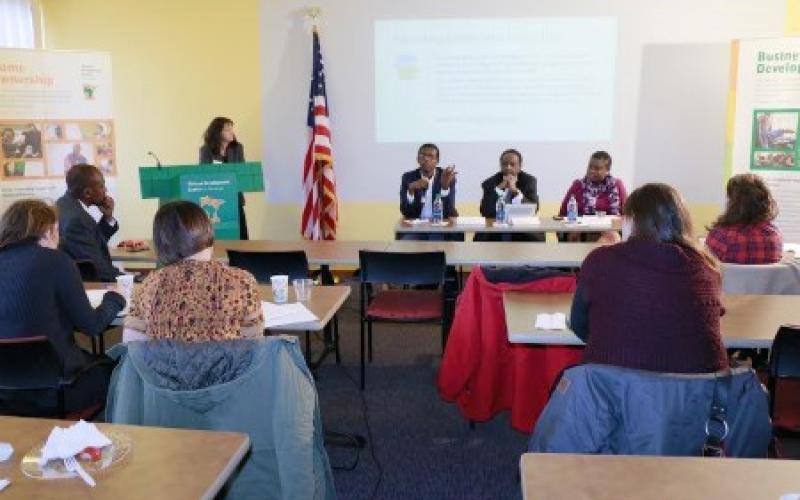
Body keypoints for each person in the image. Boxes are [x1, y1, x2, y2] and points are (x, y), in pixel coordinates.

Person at [570, 183, 727, 373]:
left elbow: (580, 324)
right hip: (695, 396)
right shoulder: (707, 268)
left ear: (633, 220)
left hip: (612, 393)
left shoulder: (600, 260)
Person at [0, 199, 125, 414]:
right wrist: (114, 299)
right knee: (119, 368)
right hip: (58, 390)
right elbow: (92, 326)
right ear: (48, 231)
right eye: (57, 230)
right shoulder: (56, 260)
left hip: (5, 394)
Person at [123, 200, 264, 342]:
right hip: (225, 364)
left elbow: (132, 348)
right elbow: (254, 346)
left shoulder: (148, 286)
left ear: (161, 241)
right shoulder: (242, 282)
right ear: (208, 230)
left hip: (167, 364)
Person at [56, 163, 122, 282]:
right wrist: (129, 279)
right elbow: (97, 267)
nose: (105, 190)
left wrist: (107, 217)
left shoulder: (64, 204)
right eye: (102, 186)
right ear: (87, 193)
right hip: (88, 284)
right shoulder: (76, 219)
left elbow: (91, 240)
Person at [705, 173, 783, 264]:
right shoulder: (775, 236)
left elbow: (707, 270)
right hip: (763, 279)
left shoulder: (721, 236)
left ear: (733, 203)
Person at [476, 148, 542, 242]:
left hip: (522, 228)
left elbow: (534, 208)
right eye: (505, 164)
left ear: (520, 166)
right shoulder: (490, 183)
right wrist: (498, 189)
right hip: (495, 228)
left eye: (512, 164)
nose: (508, 167)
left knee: (535, 238)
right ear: (500, 166)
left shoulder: (529, 181)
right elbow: (485, 211)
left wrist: (515, 191)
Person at [199, 116, 249, 240]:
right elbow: (203, 174)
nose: (232, 132)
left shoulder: (238, 148)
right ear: (218, 133)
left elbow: (241, 172)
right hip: (215, 199)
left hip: (235, 197)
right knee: (219, 237)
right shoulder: (206, 150)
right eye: (227, 129)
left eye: (232, 128)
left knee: (241, 237)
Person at [398, 143, 459, 241]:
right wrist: (411, 191)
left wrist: (444, 188)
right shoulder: (408, 177)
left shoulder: (446, 176)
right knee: (406, 243)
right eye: (423, 156)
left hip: (440, 228)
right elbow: (406, 212)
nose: (426, 159)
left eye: (431, 156)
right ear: (418, 159)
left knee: (436, 245)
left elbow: (449, 212)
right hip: (417, 228)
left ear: (437, 161)